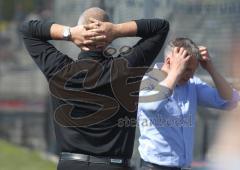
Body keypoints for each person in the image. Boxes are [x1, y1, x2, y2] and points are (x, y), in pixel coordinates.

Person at [20, 7, 169, 170]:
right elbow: (160, 27)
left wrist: (69, 33)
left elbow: (28, 30)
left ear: (79, 34)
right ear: (109, 38)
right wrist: (116, 30)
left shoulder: (60, 70)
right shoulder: (124, 69)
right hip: (113, 166)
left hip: (71, 165)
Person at [137, 37, 239, 170]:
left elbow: (230, 101)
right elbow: (152, 106)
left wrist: (211, 68)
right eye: (187, 69)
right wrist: (176, 72)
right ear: (169, 61)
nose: (191, 76)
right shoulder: (149, 80)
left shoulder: (192, 84)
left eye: (193, 70)